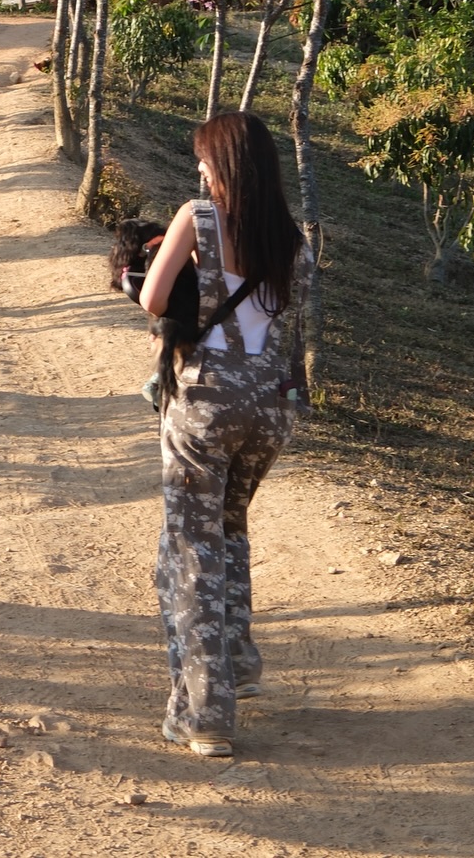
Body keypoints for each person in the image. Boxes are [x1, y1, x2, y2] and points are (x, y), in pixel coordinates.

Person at [139, 111, 312, 759]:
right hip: (270, 407)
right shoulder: (290, 236)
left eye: (206, 159)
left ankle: (205, 711)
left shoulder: (198, 216)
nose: (200, 170)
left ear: (226, 162)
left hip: (208, 402)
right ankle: (238, 658)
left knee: (191, 547)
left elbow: (155, 298)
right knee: (229, 524)